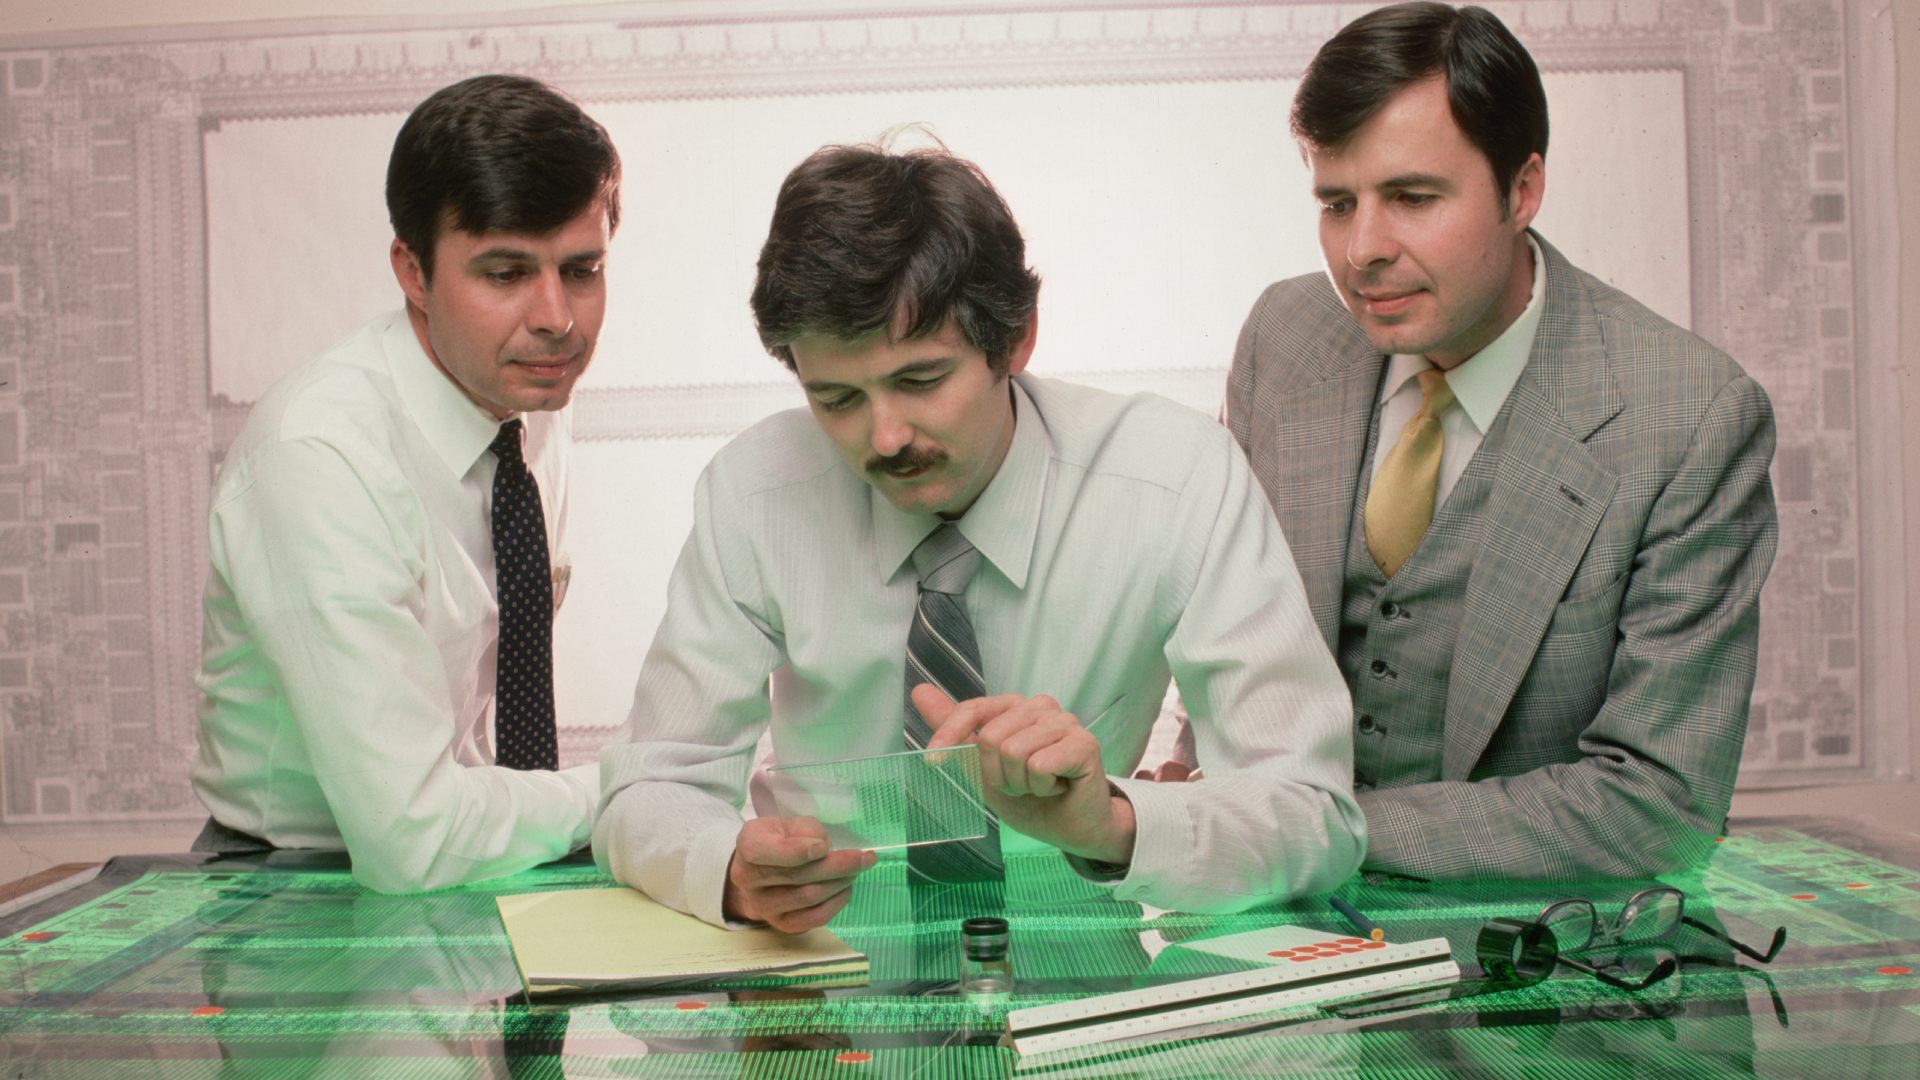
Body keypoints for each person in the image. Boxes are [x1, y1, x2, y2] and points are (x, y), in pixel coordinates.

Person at [595, 143, 1362, 932]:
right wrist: (726, 869)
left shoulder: (1174, 479)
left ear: (1017, 337)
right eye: (836, 397)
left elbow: (1315, 811)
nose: (884, 437)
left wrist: (1114, 825)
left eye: (921, 381)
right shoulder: (756, 493)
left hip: (1073, 965)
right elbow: (646, 788)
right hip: (823, 978)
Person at [1224, 3, 1778, 880]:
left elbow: (1658, 809)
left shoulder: (1689, 419)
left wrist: (1317, 833)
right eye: (1337, 203)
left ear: (1523, 191)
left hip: (1533, 963)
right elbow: (1227, 640)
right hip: (1280, 938)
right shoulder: (1283, 337)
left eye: (1411, 197)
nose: (1362, 249)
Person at [190, 74, 620, 893]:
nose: (557, 317)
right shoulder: (321, 458)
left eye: (583, 268)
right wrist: (634, 790)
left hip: (460, 855)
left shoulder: (527, 396)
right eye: (504, 273)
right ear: (414, 272)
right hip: (292, 885)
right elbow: (411, 837)